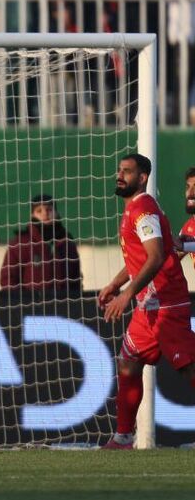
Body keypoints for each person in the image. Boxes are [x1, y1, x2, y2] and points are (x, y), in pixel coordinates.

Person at [97, 153, 195, 449]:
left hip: (165, 302)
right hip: (147, 307)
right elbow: (143, 257)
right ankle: (124, 436)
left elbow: (154, 257)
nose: (120, 175)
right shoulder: (134, 210)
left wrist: (126, 294)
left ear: (142, 178)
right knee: (128, 363)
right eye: (119, 170)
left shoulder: (143, 212)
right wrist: (116, 283)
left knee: (189, 368)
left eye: (127, 171)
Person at [0, 194, 83, 294]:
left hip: (63, 304)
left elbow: (76, 277)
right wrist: (21, 302)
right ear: (32, 215)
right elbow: (8, 279)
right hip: (31, 306)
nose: (45, 214)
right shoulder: (20, 243)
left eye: (49, 210)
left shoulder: (66, 242)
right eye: (39, 211)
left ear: (56, 213)